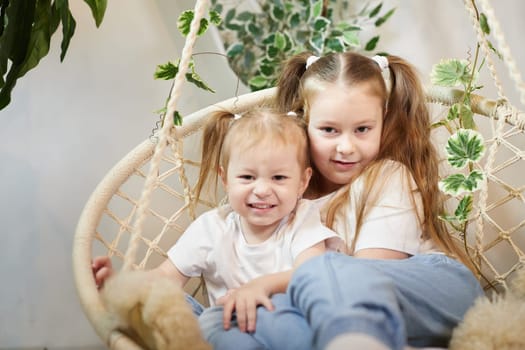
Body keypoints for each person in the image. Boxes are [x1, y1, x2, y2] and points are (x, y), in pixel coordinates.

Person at [202, 52, 484, 350]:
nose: (346, 147)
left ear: (383, 117)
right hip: (351, 316)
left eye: (362, 129)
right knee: (221, 319)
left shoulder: (387, 177)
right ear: (304, 118)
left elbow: (360, 279)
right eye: (329, 130)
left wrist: (266, 284)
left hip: (439, 293)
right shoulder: (281, 196)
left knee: (326, 269)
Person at [92, 108, 340, 347]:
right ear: (225, 179)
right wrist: (124, 289)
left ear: (303, 181)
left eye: (278, 178)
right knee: (171, 301)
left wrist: (259, 287)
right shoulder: (212, 228)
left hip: (283, 328)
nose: (262, 190)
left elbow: (310, 272)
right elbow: (166, 277)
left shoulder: (302, 220)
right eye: (247, 177)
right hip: (223, 330)